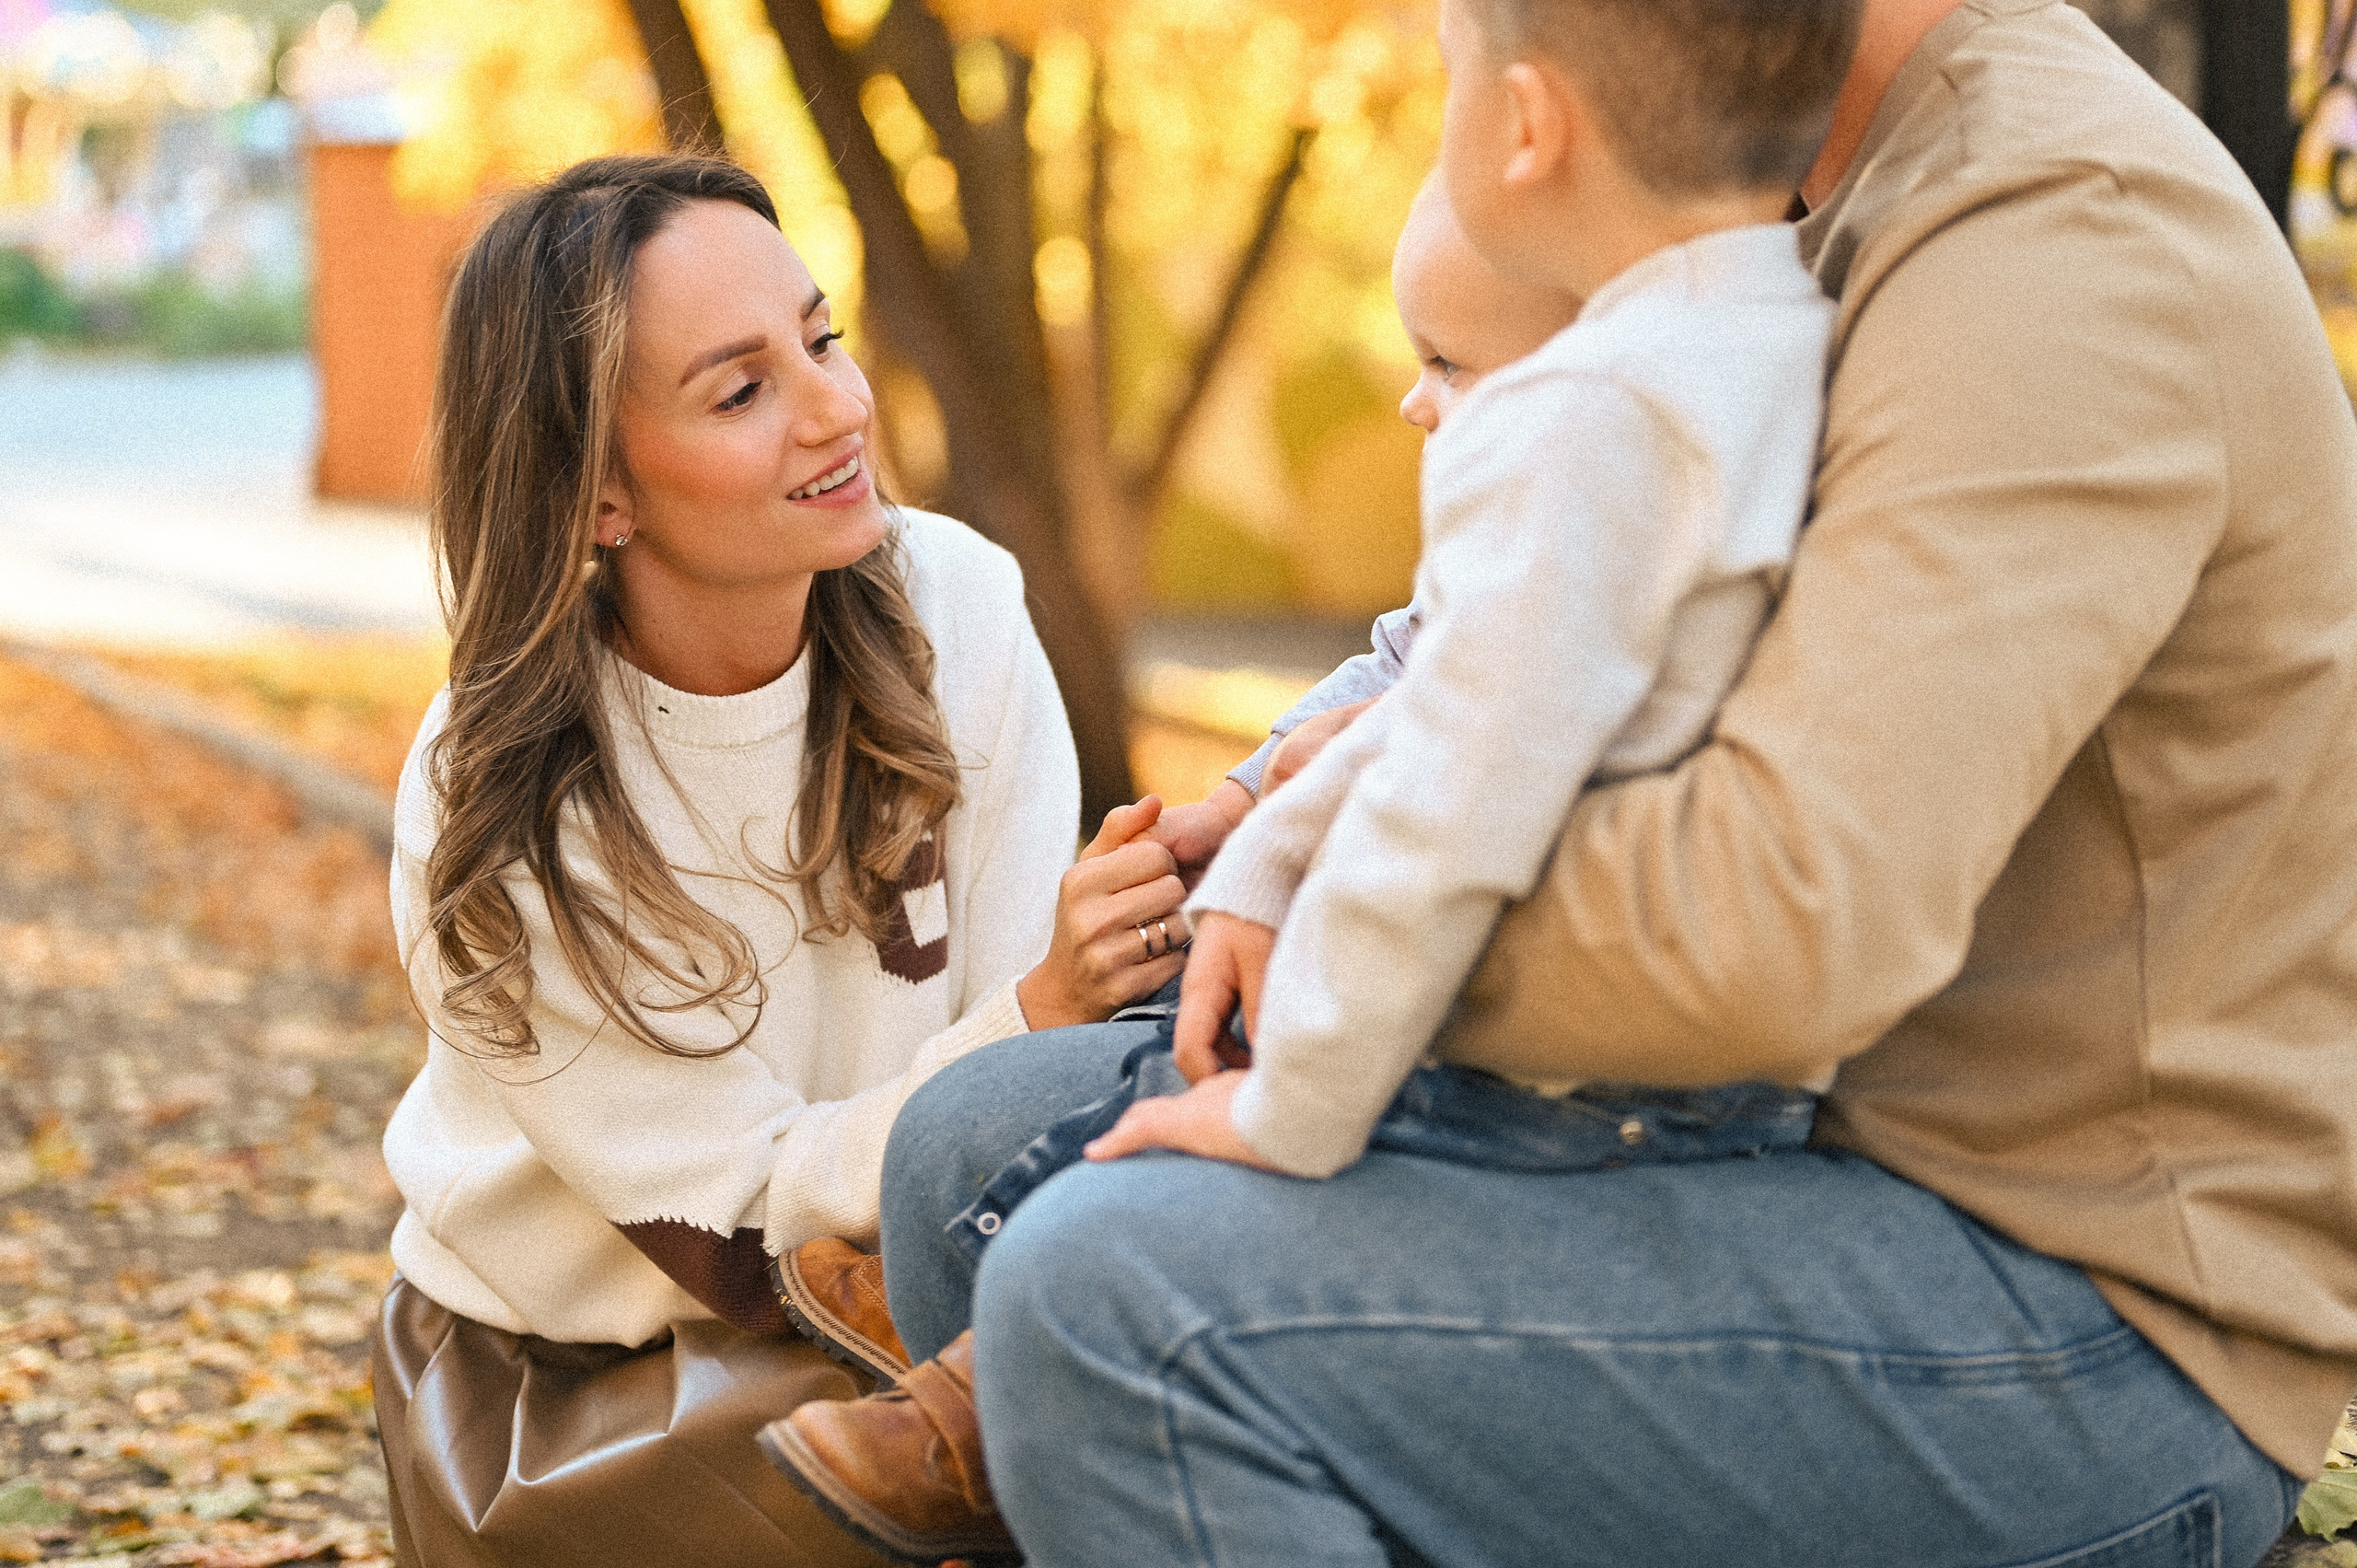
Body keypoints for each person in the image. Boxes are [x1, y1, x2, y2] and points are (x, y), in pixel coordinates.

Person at [846, 0, 2357, 1563]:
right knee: (974, 1153)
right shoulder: (1773, 180)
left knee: (1116, 1306)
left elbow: (1774, 933)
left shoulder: (2047, 248)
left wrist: (1348, 924)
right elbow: (1532, 637)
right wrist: (1310, 824)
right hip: (1807, 1158)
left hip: (2084, 1315)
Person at [753, 32, 1872, 1528]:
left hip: (1570, 1092)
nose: (1423, 400)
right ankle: (977, 1387)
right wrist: (1268, 815)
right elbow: (1437, 690)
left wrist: (1293, 1100)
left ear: (1529, 126)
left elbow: (1451, 801)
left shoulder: (1576, 423)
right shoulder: (1803, 341)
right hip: (1730, 1079)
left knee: (1179, 1131)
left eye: (1463, 64)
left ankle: (983, 1391)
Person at [365, 154, 1189, 1567]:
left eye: (822, 340)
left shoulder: (960, 613)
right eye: (742, 391)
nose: (838, 410)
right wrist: (1042, 1013)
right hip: (591, 1398)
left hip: (925, 1300)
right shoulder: (498, 803)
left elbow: (1032, 1128)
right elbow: (735, 1237)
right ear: (599, 494)